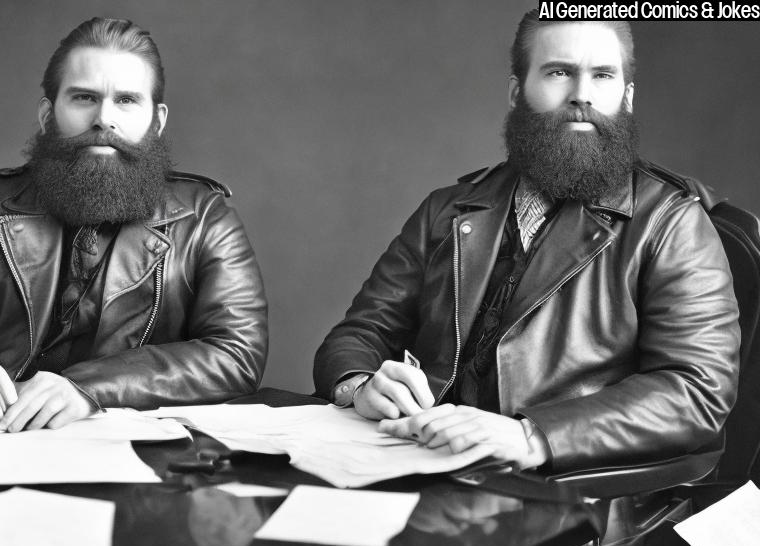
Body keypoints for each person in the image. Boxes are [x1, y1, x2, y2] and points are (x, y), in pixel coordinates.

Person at [314, 12, 739, 473]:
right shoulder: (446, 210)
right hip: (422, 466)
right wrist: (358, 386)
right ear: (518, 92)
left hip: (568, 495)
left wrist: (531, 436)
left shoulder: (671, 222)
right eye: (559, 72)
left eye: (602, 75)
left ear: (627, 97)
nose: (582, 94)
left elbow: (697, 390)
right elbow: (358, 333)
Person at [0, 17, 268, 432]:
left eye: (126, 100)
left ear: (156, 122)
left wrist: (88, 388)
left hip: (130, 457)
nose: (104, 119)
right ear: (48, 114)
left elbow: (236, 353)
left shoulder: (204, 221)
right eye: (84, 97)